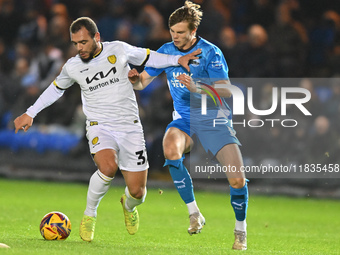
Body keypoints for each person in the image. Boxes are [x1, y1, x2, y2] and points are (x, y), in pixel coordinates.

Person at [13, 16, 200, 242]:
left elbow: (151, 57)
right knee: (108, 167)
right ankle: (89, 215)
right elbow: (55, 89)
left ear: (97, 37)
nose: (79, 48)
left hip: (130, 127)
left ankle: (129, 207)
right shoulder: (72, 66)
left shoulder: (119, 50)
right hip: (99, 126)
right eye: (75, 44)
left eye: (83, 42)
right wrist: (30, 112)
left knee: (138, 193)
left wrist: (179, 59)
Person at [128, 1, 248, 250]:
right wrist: (133, 79)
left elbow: (226, 89)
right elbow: (142, 83)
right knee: (170, 147)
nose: (175, 37)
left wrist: (198, 86)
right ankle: (194, 213)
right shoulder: (167, 51)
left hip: (214, 120)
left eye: (181, 32)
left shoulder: (211, 52)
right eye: (173, 31)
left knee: (237, 180)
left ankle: (240, 230)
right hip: (186, 120)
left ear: (194, 31)